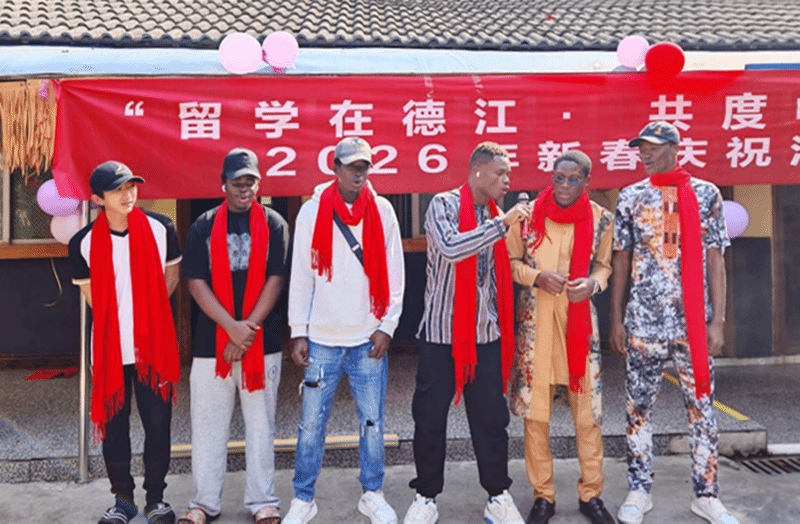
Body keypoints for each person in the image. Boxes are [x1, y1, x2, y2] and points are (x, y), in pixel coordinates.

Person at [610, 121, 738, 524]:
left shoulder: (706, 194)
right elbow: (621, 259)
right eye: (640, 147)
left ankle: (707, 494)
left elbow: (715, 259)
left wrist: (718, 322)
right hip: (643, 323)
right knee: (638, 410)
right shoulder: (630, 196)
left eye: (651, 146)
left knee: (702, 409)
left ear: (674, 148)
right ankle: (639, 490)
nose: (644, 153)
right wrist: (616, 319)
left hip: (692, 326)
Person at [403, 142, 531, 524]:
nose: (507, 181)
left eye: (509, 174)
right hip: (441, 334)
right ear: (477, 171)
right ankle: (426, 496)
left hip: (485, 334)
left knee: (491, 420)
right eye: (500, 173)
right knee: (429, 419)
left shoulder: (498, 214)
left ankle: (498, 495)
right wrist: (502, 225)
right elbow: (451, 248)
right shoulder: (443, 205)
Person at [283, 136, 405, 524]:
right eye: (352, 166)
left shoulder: (382, 210)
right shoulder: (311, 211)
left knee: (372, 423)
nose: (359, 173)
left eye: (364, 166)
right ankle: (304, 498)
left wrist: (387, 325)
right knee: (311, 424)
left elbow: (396, 272)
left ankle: (372, 493)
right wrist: (298, 330)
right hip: (322, 338)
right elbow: (302, 274)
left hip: (367, 337)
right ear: (335, 168)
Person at [179, 148, 290, 524]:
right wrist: (230, 327)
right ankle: (204, 503)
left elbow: (276, 280)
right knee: (208, 427)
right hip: (212, 344)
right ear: (223, 184)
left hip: (262, 342)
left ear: (259, 184)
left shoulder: (275, 224)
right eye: (237, 182)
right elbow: (195, 281)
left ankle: (263, 501)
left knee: (261, 426)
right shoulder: (203, 225)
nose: (244, 189)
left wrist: (246, 331)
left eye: (250, 182)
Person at [69, 161, 181, 524]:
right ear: (98, 199)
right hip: (109, 349)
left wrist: (147, 320)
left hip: (153, 347)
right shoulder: (82, 243)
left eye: (131, 186)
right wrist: (124, 323)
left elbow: (171, 278)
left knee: (158, 425)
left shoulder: (161, 228)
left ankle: (156, 499)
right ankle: (123, 502)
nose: (128, 194)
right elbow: (93, 299)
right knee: (114, 430)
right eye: (118, 189)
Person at [507, 150, 615, 524]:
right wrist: (536, 277)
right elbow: (511, 263)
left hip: (579, 327)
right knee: (536, 416)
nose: (564, 186)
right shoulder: (526, 217)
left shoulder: (602, 220)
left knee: (588, 417)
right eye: (559, 178)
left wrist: (593, 284)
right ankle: (543, 495)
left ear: (587, 181)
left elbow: (604, 266)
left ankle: (591, 494)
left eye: (573, 179)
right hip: (536, 326)